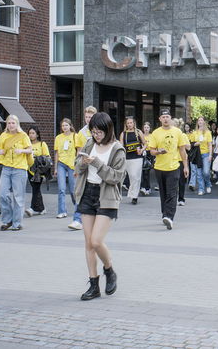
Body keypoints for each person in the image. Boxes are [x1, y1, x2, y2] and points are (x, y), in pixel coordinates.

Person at [74, 112, 126, 301]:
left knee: (96, 241)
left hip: (107, 197)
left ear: (108, 129)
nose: (96, 135)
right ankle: (93, 284)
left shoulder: (117, 149)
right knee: (88, 243)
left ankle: (109, 270)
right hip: (87, 193)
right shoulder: (89, 143)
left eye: (99, 132)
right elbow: (77, 166)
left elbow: (116, 177)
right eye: (93, 132)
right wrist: (82, 162)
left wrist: (95, 162)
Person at [147, 109, 189, 230]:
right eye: (163, 117)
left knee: (172, 193)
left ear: (171, 118)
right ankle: (164, 214)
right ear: (160, 119)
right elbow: (152, 151)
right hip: (159, 168)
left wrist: (185, 166)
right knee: (163, 193)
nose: (165, 119)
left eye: (167, 116)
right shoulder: (155, 133)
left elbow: (182, 150)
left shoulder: (177, 132)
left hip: (174, 167)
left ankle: (169, 217)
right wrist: (158, 151)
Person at [0, 115, 33, 231]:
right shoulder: (3, 135)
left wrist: (22, 150)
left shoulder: (23, 136)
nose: (11, 125)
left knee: (18, 197)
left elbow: (30, 149)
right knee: (1, 194)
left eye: (13, 123)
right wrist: (0, 151)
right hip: (6, 168)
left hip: (20, 169)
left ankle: (16, 223)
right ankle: (8, 219)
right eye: (9, 123)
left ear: (17, 124)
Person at [54, 118, 86, 230]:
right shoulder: (58, 138)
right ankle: (62, 211)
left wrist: (77, 165)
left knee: (73, 189)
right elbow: (57, 153)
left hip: (72, 164)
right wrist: (56, 167)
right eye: (63, 126)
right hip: (61, 164)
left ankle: (76, 206)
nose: (64, 127)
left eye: (66, 125)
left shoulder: (75, 136)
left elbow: (79, 151)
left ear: (70, 126)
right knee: (61, 188)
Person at [119, 116, 146, 205]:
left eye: (131, 123)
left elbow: (145, 143)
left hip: (138, 157)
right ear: (126, 124)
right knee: (131, 177)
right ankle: (132, 193)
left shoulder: (138, 132)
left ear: (134, 123)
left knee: (136, 176)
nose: (130, 124)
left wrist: (142, 150)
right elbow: (121, 146)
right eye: (128, 123)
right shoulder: (123, 133)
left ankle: (134, 196)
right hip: (128, 157)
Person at [25, 125, 49, 217]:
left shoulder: (42, 144)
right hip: (29, 170)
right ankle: (41, 208)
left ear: (37, 134)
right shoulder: (27, 145)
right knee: (36, 189)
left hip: (39, 171)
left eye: (33, 133)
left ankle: (32, 208)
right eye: (30, 133)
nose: (31, 135)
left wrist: (38, 158)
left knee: (36, 189)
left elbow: (47, 157)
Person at [189, 116, 213, 195]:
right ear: (197, 122)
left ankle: (208, 184)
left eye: (201, 120)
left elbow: (210, 145)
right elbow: (191, 144)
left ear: (204, 122)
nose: (200, 121)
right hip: (197, 155)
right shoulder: (194, 132)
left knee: (206, 172)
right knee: (199, 173)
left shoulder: (208, 132)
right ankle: (201, 189)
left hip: (206, 155)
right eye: (199, 120)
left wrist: (210, 155)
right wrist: (196, 143)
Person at [139, 122, 153, 196]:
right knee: (142, 172)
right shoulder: (141, 136)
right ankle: (143, 187)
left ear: (149, 128)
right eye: (145, 127)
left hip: (149, 154)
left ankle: (147, 188)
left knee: (147, 172)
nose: (146, 129)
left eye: (147, 127)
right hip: (142, 153)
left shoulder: (152, 136)